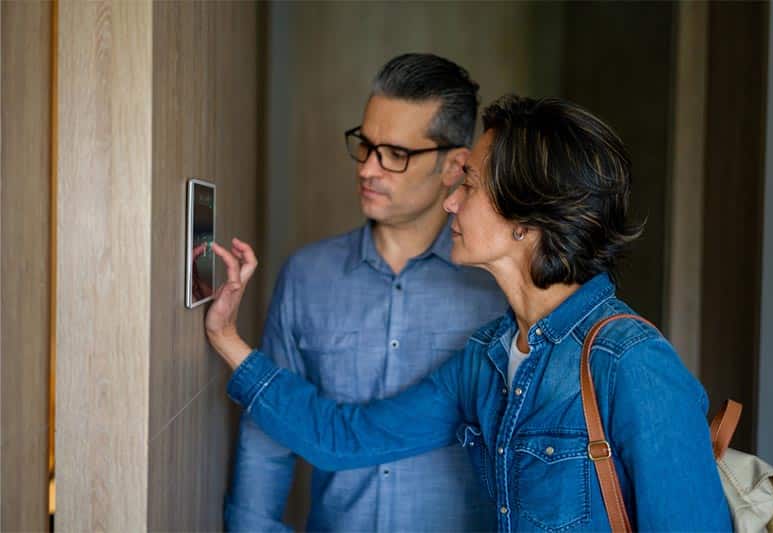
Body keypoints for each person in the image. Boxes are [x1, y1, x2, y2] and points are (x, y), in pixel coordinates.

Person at [209, 96, 732, 531]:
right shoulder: (485, 359)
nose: (451, 203)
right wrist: (229, 339)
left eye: (470, 185)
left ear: (526, 220)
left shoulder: (634, 366)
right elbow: (346, 438)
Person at [224, 53, 507, 532]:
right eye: (365, 144)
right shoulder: (306, 277)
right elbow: (268, 442)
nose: (368, 169)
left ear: (454, 166)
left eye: (395, 154)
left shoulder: (495, 290)